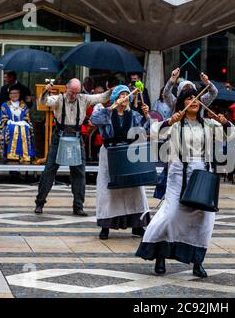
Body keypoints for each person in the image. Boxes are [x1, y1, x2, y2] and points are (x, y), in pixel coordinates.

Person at [136, 88, 235, 278]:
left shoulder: (208, 124)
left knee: (204, 219)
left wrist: (226, 123)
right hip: (178, 173)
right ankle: (160, 255)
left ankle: (197, 262)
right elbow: (155, 131)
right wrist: (169, 121)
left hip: (202, 174)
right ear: (182, 102)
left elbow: (229, 135)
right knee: (171, 214)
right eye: (189, 98)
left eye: (197, 98)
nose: (194, 101)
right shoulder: (175, 123)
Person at [34, 78, 113, 216]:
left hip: (76, 138)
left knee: (79, 172)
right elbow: (44, 101)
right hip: (59, 136)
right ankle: (40, 202)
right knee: (49, 170)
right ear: (66, 88)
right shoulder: (58, 99)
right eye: (71, 92)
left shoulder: (84, 98)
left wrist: (114, 90)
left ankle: (78, 206)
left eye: (77, 93)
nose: (74, 95)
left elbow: (102, 97)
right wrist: (46, 90)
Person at [91, 85, 151, 239]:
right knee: (108, 190)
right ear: (116, 98)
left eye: (126, 95)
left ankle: (138, 226)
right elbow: (94, 119)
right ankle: (105, 226)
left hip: (129, 153)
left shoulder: (134, 115)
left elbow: (145, 130)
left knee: (136, 190)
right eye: (121, 95)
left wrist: (146, 116)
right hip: (110, 153)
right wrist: (111, 107)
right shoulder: (105, 112)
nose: (124, 97)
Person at [0, 85, 35, 163]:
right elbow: (3, 119)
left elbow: (27, 118)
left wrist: (23, 122)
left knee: (25, 128)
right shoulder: (5, 105)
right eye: (12, 93)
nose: (14, 95)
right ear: (9, 95)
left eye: (16, 93)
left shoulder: (24, 105)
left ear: (19, 94)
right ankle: (12, 155)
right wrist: (12, 123)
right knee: (14, 128)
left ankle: (24, 155)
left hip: (23, 126)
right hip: (9, 126)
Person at [81, 86, 105, 161]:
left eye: (102, 93)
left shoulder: (105, 104)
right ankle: (89, 157)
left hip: (102, 126)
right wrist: (89, 121)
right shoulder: (89, 104)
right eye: (98, 93)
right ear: (94, 93)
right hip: (91, 125)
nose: (100, 95)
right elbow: (83, 116)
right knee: (90, 135)